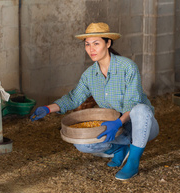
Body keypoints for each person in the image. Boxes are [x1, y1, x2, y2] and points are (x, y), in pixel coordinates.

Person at [30, 22, 159, 180]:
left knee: (141, 109)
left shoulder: (128, 67)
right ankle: (120, 150)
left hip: (142, 126)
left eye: (96, 43)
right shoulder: (89, 75)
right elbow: (74, 97)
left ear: (108, 43)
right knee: (82, 145)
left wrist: (118, 122)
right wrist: (48, 109)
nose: (91, 49)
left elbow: (133, 103)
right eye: (87, 44)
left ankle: (132, 162)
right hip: (117, 129)